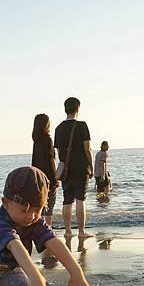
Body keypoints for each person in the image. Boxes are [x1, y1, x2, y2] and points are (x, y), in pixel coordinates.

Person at [54, 97, 94, 238]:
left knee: (67, 199)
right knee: (80, 199)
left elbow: (59, 153)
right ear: (78, 108)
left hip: (66, 169)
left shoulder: (58, 128)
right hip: (81, 167)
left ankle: (68, 231)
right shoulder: (82, 125)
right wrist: (91, 166)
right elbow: (87, 149)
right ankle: (82, 232)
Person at [31, 113, 59, 227]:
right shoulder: (47, 139)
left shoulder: (36, 140)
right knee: (49, 206)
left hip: (37, 176)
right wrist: (55, 179)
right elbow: (50, 160)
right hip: (48, 177)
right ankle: (48, 230)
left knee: (40, 205)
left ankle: (38, 229)